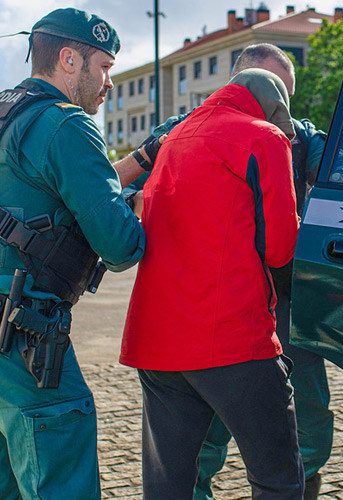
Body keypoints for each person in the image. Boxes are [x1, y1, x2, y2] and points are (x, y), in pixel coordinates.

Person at [120, 68, 304, 499]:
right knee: (277, 478)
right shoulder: (265, 138)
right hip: (231, 338)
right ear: (274, 108)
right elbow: (280, 249)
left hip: (159, 342)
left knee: (168, 485)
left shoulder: (174, 138)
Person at [0, 8, 155, 499]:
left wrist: (139, 160)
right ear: (69, 60)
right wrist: (145, 205)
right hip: (27, 339)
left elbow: (47, 186)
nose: (108, 82)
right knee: (60, 470)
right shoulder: (69, 125)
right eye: (104, 67)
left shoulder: (9, 112)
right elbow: (121, 245)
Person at [190, 44, 333, 500]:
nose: (274, 109)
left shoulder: (303, 139)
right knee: (207, 418)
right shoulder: (188, 130)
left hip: (288, 299)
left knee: (307, 411)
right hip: (221, 300)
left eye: (283, 97)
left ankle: (302, 486)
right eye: (264, 90)